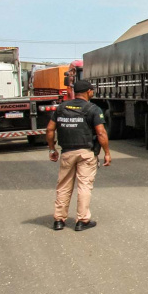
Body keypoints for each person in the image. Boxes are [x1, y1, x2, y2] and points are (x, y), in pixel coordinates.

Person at [46, 79, 111, 231]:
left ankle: (59, 220)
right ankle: (82, 221)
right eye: (92, 90)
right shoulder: (93, 109)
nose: (93, 92)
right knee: (84, 186)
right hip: (86, 153)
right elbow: (101, 132)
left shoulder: (61, 108)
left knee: (63, 186)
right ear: (88, 92)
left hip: (67, 153)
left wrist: (52, 149)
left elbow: (50, 130)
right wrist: (107, 152)